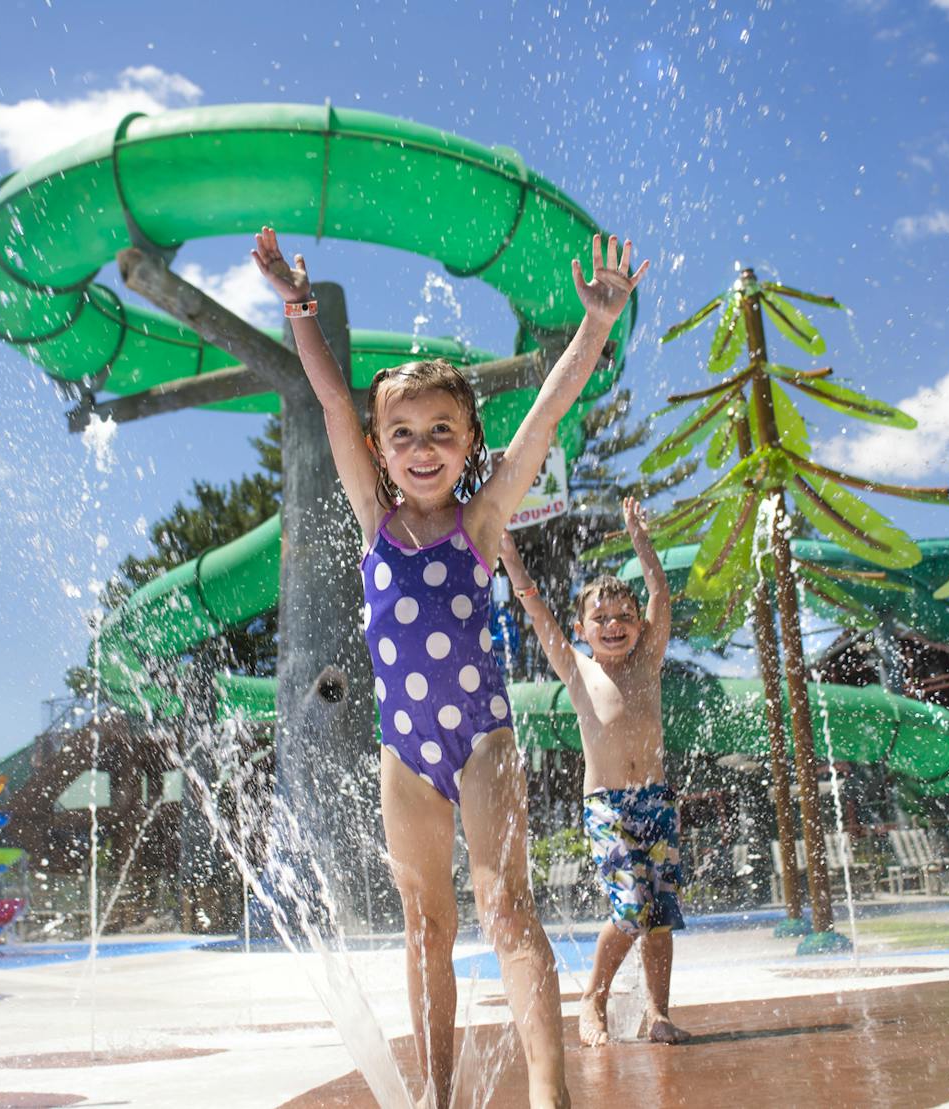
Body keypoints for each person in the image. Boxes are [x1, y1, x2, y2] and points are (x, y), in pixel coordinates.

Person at [251, 227, 646, 1109]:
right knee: (425, 925)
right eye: (401, 434)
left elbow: (544, 415)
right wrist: (298, 306)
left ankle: (550, 1090)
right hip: (406, 755)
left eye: (440, 431)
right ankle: (433, 1092)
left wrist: (594, 328)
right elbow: (325, 397)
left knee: (507, 905)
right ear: (380, 448)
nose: (420, 446)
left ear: (469, 443)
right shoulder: (374, 520)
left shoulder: (481, 523)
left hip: (480, 741)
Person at [498, 498, 690, 1049]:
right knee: (630, 909)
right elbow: (535, 610)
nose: (614, 625)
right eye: (600, 619)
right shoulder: (577, 668)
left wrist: (641, 541)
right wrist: (510, 557)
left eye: (624, 617)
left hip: (655, 800)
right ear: (581, 629)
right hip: (608, 806)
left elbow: (659, 593)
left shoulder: (648, 661)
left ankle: (658, 1012)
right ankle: (593, 999)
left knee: (658, 918)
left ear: (640, 627)